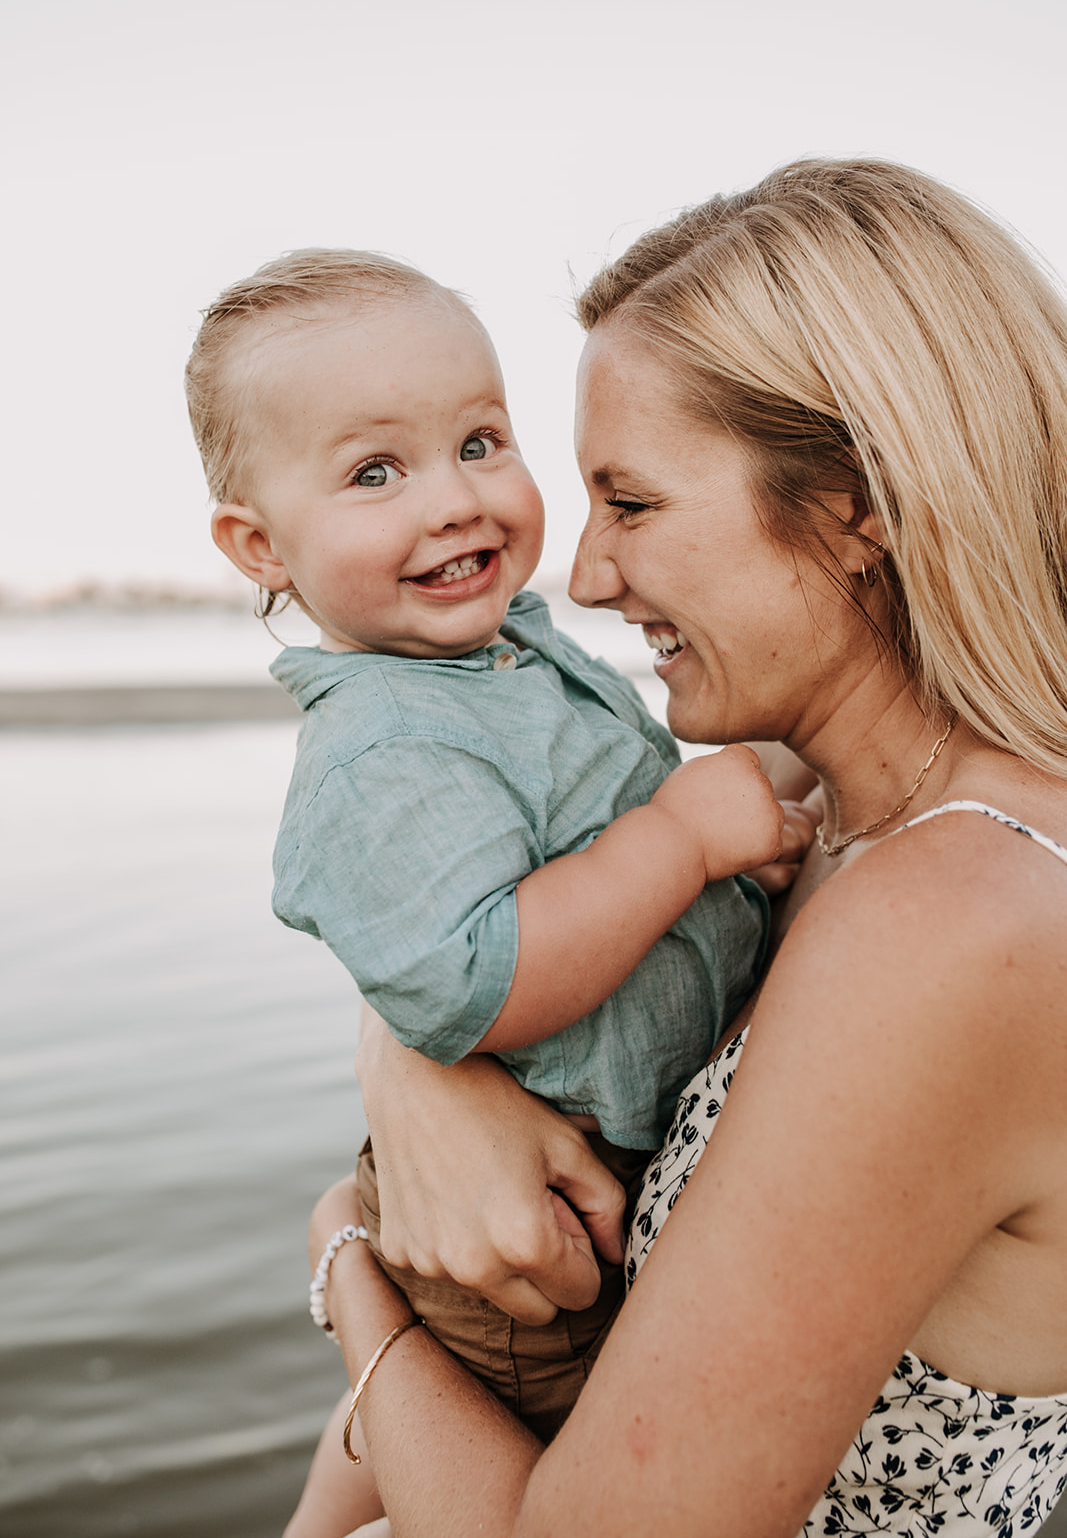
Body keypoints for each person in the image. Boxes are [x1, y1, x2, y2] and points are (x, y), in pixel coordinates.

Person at [305, 158, 1067, 1538]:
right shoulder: (825, 814)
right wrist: (420, 1074)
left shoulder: (949, 917)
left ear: (855, 504)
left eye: (635, 504)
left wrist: (346, 1268)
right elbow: (468, 933)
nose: (585, 575)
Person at [184, 251, 802, 1530]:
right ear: (260, 545)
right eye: (373, 472)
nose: (454, 500)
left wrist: (731, 877)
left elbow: (585, 833)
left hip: (570, 1164)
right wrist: (685, 842)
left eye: (479, 439)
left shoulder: (505, 650)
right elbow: (484, 975)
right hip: (543, 1220)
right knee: (518, 1445)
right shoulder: (383, 745)